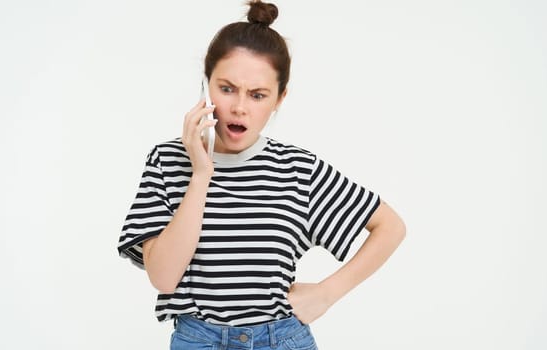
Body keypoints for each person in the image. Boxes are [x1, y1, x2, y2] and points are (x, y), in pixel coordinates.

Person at [118, 1, 406, 348]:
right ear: (206, 84)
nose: (240, 106)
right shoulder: (168, 161)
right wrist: (200, 175)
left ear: (279, 99)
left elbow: (390, 227)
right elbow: (163, 278)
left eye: (258, 95)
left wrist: (327, 293)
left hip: (280, 339)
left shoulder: (297, 169)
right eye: (226, 89)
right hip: (197, 340)